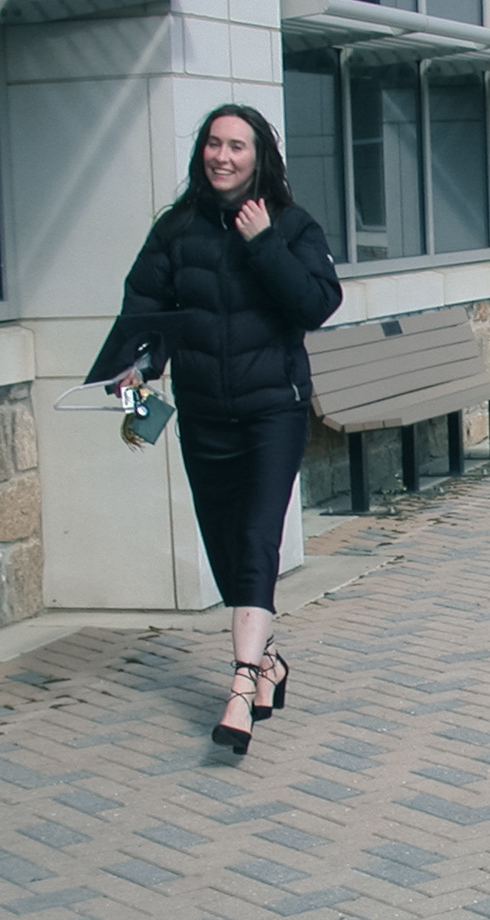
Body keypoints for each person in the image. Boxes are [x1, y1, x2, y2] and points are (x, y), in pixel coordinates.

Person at [87, 104, 343, 756]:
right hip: (204, 415)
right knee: (228, 547)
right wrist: (136, 376)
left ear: (259, 157)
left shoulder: (290, 224)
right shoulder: (176, 230)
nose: (222, 156)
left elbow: (315, 304)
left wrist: (264, 243)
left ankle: (240, 686)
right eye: (213, 143)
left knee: (257, 538)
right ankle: (269, 662)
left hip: (273, 411)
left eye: (236, 145)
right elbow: (144, 313)